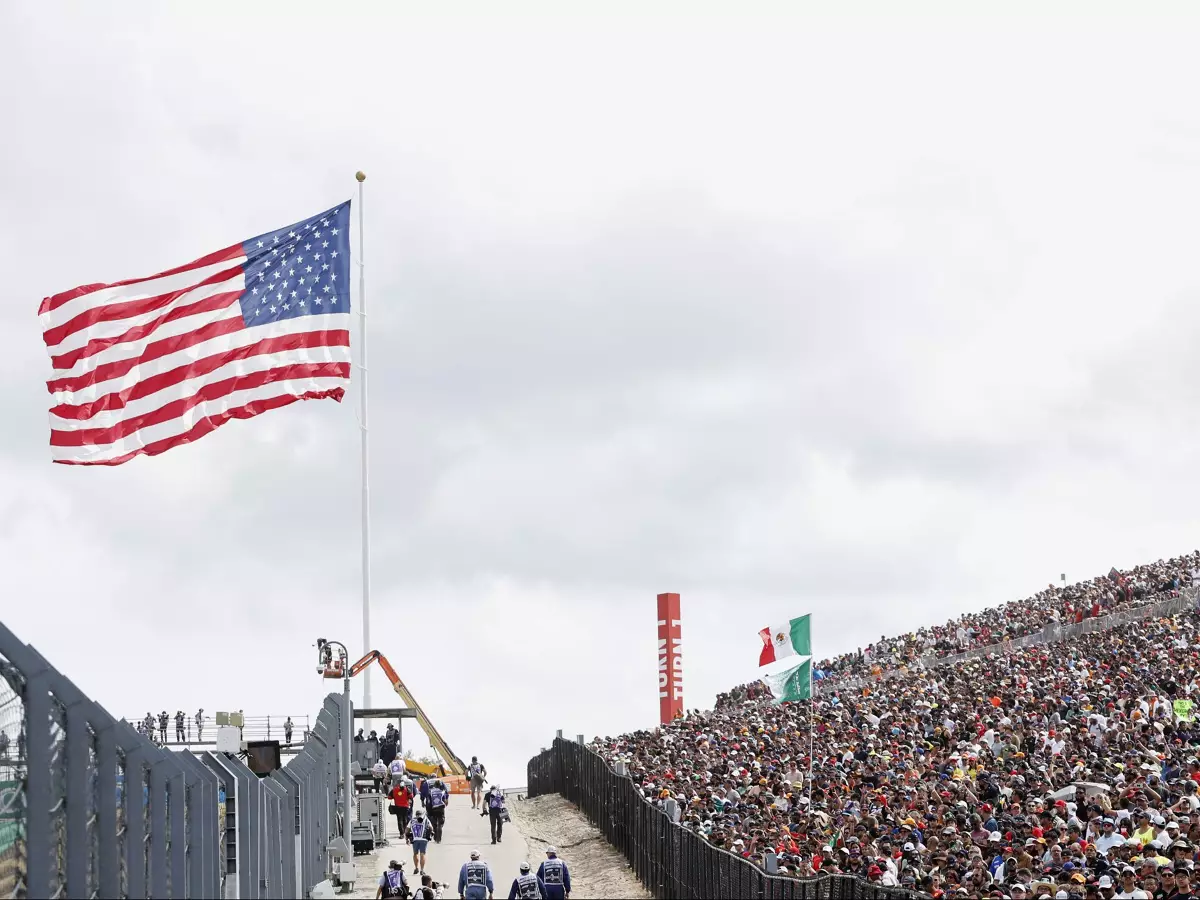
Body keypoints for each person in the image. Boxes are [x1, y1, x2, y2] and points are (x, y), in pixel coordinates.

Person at [406, 809, 433, 875]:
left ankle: (416, 868)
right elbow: (431, 828)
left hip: (415, 839)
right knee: (422, 854)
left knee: (415, 854)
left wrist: (407, 838)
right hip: (424, 839)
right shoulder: (425, 819)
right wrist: (430, 835)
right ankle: (422, 870)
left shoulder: (412, 820)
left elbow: (407, 830)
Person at [428, 779, 449, 843]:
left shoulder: (431, 791)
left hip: (433, 808)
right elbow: (445, 801)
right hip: (441, 808)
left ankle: (435, 837)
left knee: (434, 824)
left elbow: (429, 802)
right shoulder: (442, 791)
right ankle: (439, 839)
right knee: (440, 824)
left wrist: (429, 809)